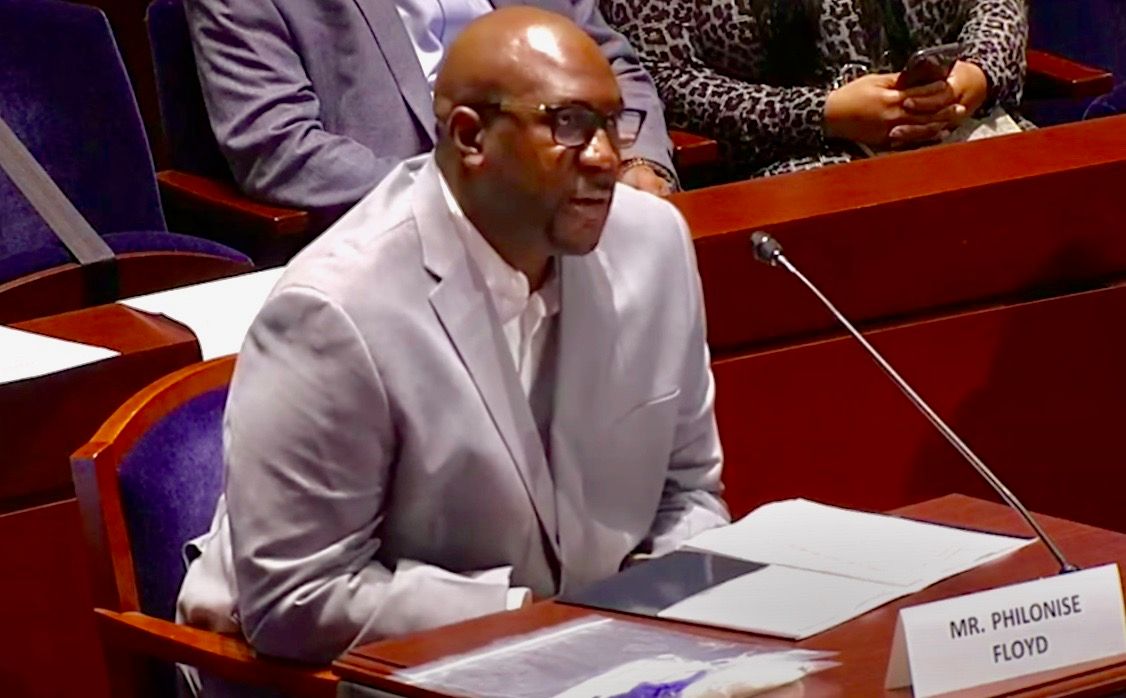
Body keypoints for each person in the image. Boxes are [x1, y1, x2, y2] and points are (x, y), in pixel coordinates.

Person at [176, 5, 729, 684]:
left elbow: (689, 494)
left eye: (613, 124)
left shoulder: (654, 245)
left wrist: (650, 619)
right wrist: (542, 627)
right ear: (469, 137)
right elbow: (297, 599)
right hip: (373, 679)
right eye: (569, 125)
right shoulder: (333, 310)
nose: (606, 158)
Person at [184, 0, 678, 221]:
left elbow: (609, 64)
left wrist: (639, 161)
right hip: (394, 248)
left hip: (577, 216)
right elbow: (279, 147)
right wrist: (470, 200)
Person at [600, 0, 1028, 178]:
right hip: (794, 159)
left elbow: (995, 4)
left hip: (947, 126)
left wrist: (977, 73)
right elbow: (663, 80)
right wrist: (822, 112)